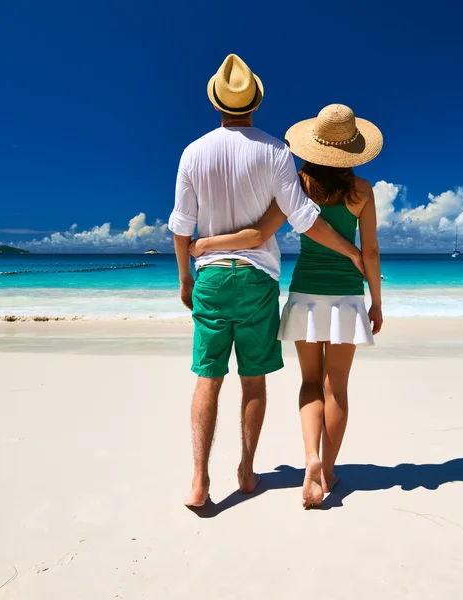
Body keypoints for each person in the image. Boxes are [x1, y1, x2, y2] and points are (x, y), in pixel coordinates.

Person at [168, 56, 365, 508]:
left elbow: (182, 227)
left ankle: (199, 480)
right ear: (255, 101)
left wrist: (184, 278)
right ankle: (247, 470)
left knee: (207, 379)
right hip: (256, 279)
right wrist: (351, 251)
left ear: (217, 102)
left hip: (212, 278)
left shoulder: (193, 153)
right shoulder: (276, 151)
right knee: (253, 380)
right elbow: (305, 220)